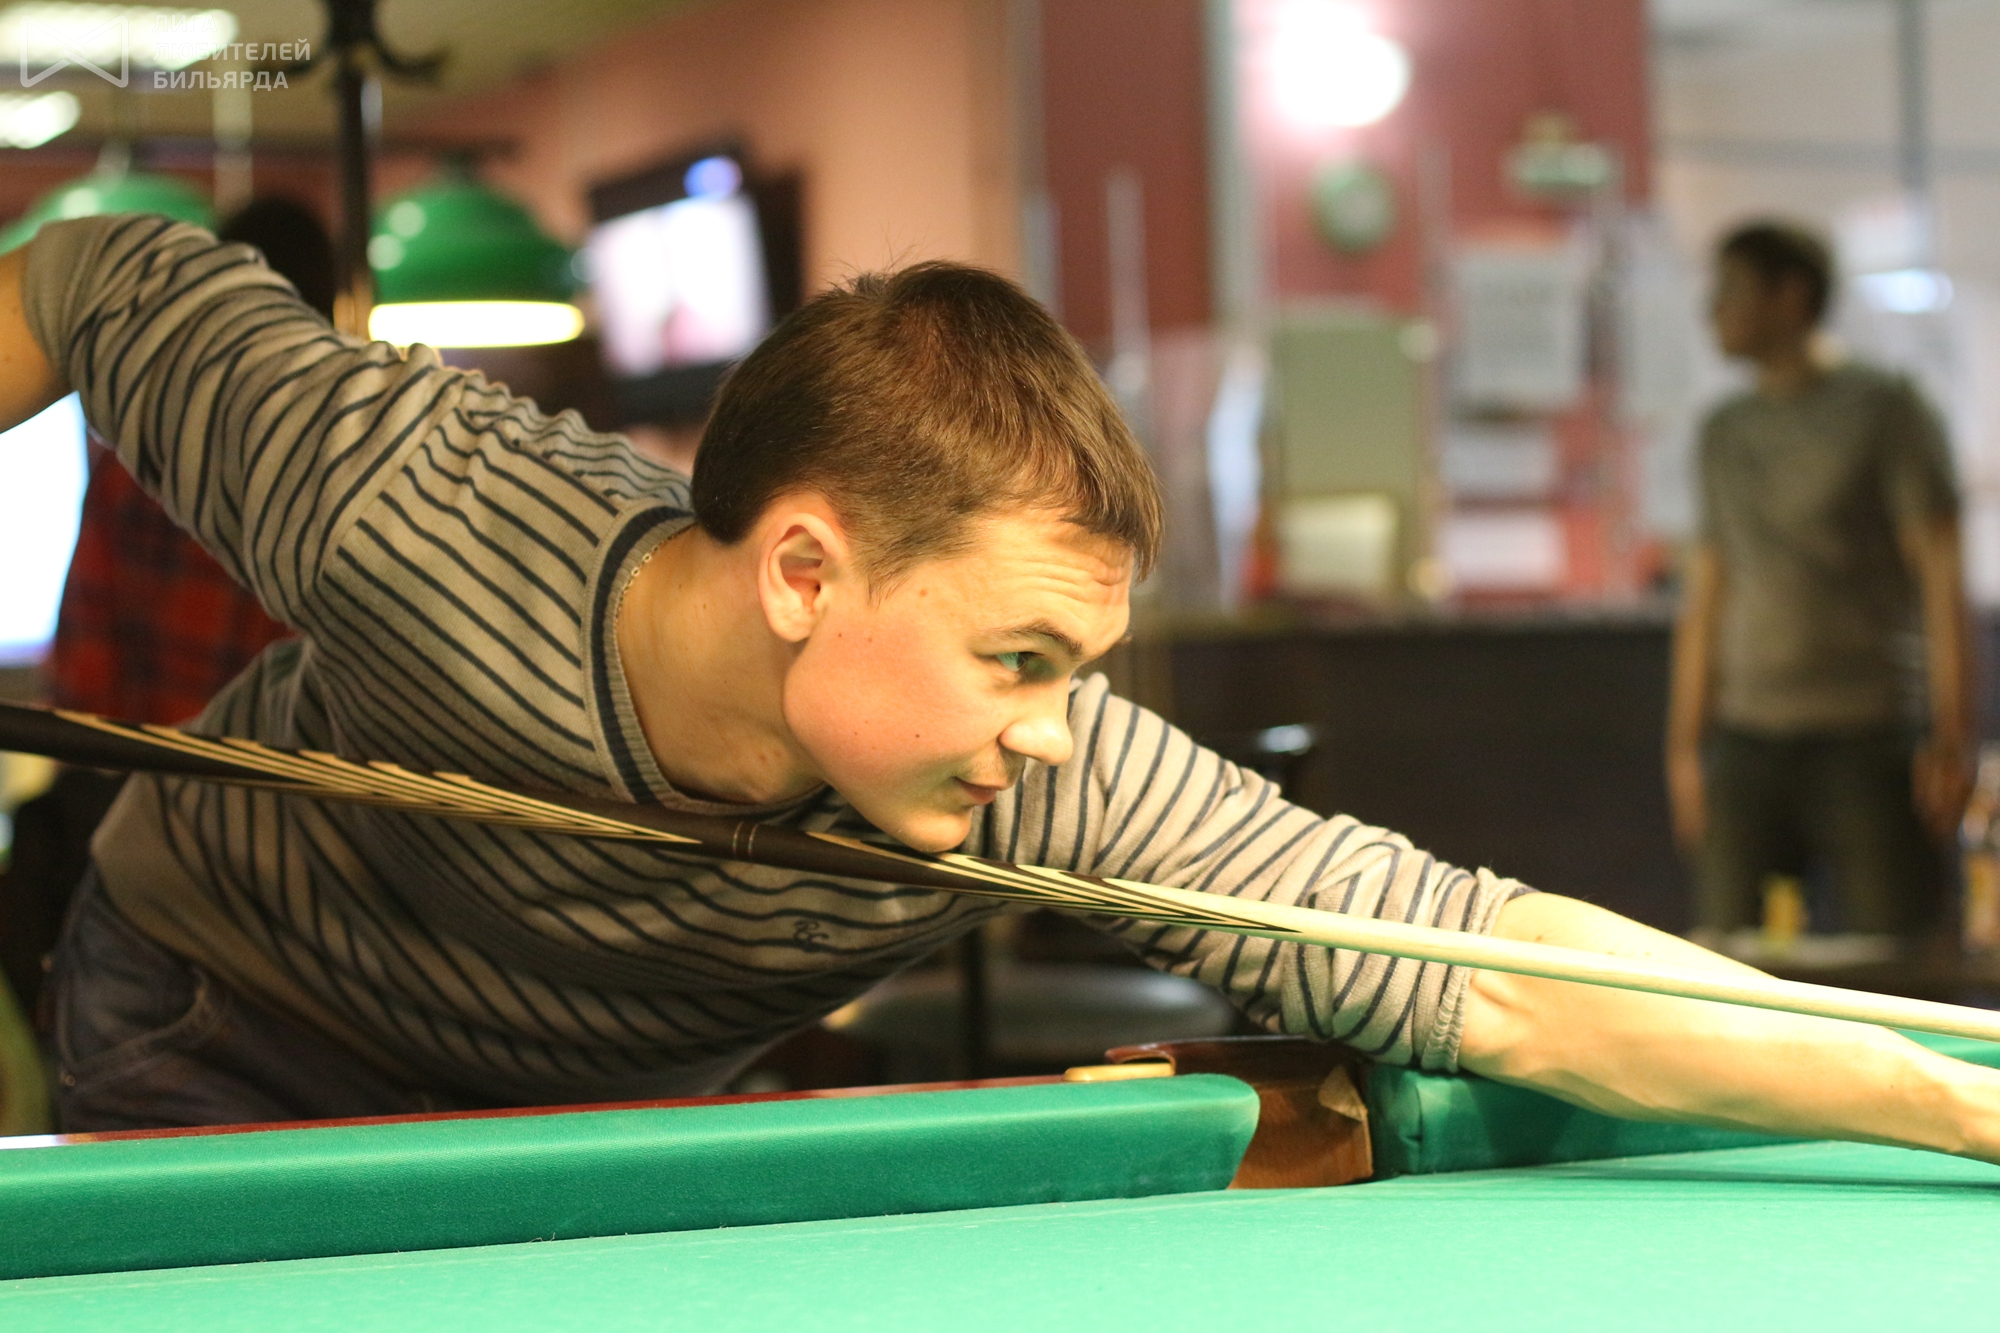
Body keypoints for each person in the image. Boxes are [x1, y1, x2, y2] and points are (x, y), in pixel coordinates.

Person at [2, 214, 1998, 1163]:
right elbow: (107, 280)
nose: (1054, 726)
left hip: (587, 1097)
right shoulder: (414, 507)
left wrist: (1949, 1097)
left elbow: (1488, 960)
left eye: (1078, 668)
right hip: (225, 1015)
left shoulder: (1033, 775)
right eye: (1020, 658)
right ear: (804, 571)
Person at [0, 199, 330, 1028]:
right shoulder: (338, 475)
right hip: (290, 855)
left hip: (136, 835)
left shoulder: (138, 459)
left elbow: (84, 666)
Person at [1667, 221, 1973, 948]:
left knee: (1897, 962)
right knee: (1726, 964)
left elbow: (1941, 577)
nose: (1714, 309)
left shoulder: (1884, 408)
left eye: (1733, 289)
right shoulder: (1725, 430)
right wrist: (1684, 747)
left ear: (1791, 295)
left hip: (1870, 736)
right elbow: (1707, 594)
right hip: (1747, 738)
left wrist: (1952, 733)